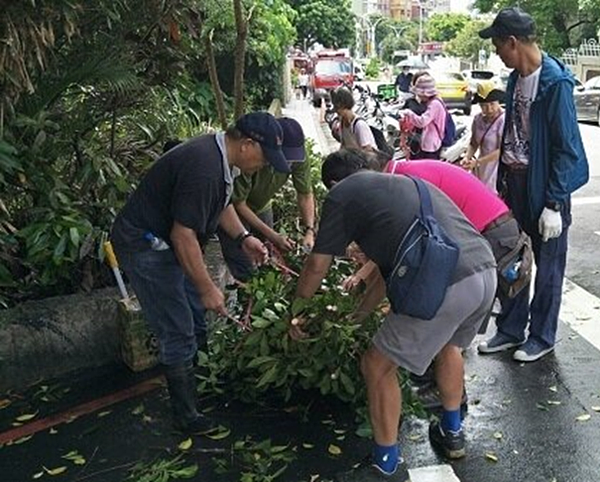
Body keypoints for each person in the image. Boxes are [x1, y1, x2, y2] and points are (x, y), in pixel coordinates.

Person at [290, 168, 496, 481]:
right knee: (447, 345)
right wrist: (356, 319)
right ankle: (451, 432)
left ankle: (385, 465)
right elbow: (387, 278)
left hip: (445, 284)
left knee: (377, 366)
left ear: (333, 184)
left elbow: (318, 263)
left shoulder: (341, 196)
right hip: (483, 271)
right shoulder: (403, 190)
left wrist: (297, 311)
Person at [110, 112, 287, 433]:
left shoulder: (219, 159)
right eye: (264, 158)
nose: (264, 165)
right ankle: (186, 415)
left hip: (168, 242)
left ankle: (202, 380)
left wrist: (244, 238)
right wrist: (208, 288)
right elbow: (183, 236)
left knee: (193, 312)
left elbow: (221, 204)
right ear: (247, 145)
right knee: (177, 325)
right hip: (145, 245)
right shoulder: (205, 167)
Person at [477, 7, 589, 362]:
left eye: (497, 45)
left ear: (513, 42)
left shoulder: (555, 83)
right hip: (516, 185)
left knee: (549, 265)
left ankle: (542, 336)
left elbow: (567, 148)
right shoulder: (515, 78)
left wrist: (554, 203)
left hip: (545, 188)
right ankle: (511, 329)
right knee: (513, 258)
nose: (495, 51)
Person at [218, 117, 316, 281]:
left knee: (267, 255)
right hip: (235, 209)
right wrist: (273, 235)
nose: (290, 162)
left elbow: (305, 193)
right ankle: (244, 290)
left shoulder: (298, 156)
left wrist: (309, 231)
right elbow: (239, 204)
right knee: (244, 260)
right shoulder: (249, 161)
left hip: (262, 206)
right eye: (286, 157)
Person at [461, 81, 506, 193]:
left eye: (492, 104)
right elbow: (474, 143)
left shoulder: (503, 120)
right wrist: (467, 157)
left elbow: (502, 150)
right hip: (480, 167)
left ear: (498, 102)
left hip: (496, 168)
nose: (489, 109)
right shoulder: (478, 119)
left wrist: (477, 162)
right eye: (484, 106)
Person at [399, 74, 447, 159]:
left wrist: (409, 113)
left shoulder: (434, 104)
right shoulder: (434, 102)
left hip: (431, 145)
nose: (419, 96)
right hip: (428, 143)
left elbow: (422, 122)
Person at [330, 87, 377, 151]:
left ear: (344, 105)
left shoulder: (359, 125)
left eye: (338, 107)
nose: (336, 111)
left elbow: (368, 150)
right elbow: (344, 145)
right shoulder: (342, 123)